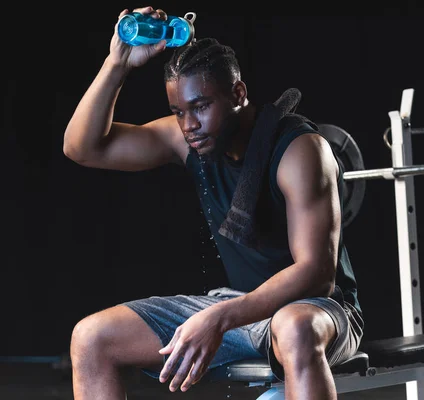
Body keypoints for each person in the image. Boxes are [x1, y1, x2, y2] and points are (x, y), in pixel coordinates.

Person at [63, 5, 364, 400]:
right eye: (178, 112)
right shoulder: (185, 138)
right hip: (237, 307)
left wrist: (218, 318)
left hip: (317, 310)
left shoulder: (299, 150)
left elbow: (316, 273)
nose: (189, 125)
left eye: (201, 107)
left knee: (295, 327)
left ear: (238, 94)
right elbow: (82, 148)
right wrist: (116, 63)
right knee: (91, 337)